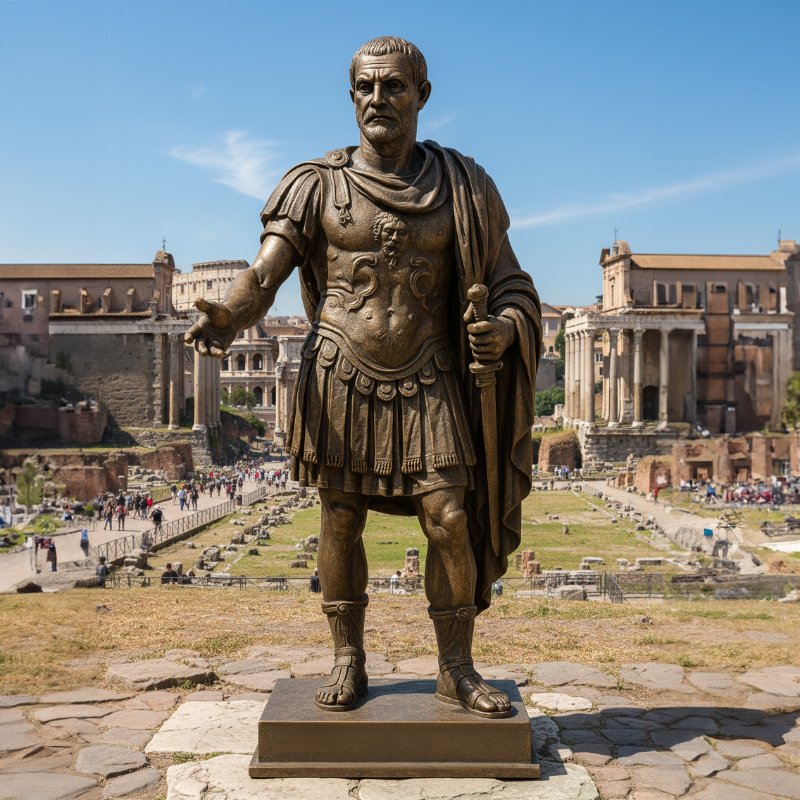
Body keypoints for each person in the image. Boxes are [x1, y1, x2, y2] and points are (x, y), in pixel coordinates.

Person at [185, 37, 540, 718]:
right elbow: (266, 273)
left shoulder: (465, 187)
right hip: (341, 372)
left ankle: (456, 668)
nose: (379, 99)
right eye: (367, 88)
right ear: (352, 97)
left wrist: (505, 328)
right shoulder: (315, 185)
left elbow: (512, 285)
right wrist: (230, 314)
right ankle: (348, 658)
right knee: (341, 518)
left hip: (430, 374)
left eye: (394, 87)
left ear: (422, 95)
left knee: (451, 518)